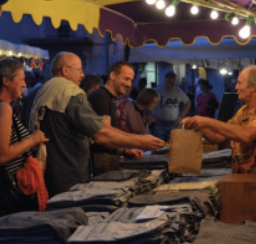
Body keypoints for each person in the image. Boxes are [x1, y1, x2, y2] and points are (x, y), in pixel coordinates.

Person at [28, 52, 165, 196]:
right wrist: (141, 141)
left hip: (45, 175)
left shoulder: (37, 92)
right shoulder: (71, 93)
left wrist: (125, 149)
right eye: (80, 70)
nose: (82, 75)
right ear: (65, 70)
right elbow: (101, 134)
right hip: (69, 176)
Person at [182, 65, 256, 227]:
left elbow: (246, 135)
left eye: (240, 83)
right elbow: (219, 138)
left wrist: (207, 120)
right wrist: (199, 125)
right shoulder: (243, 111)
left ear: (253, 86)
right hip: (242, 187)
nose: (236, 87)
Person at [0, 58, 49, 243]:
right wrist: (33, 139)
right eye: (20, 79)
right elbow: (1, 155)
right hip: (3, 197)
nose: (24, 83)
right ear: (6, 80)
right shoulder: (2, 108)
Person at [87, 61, 157, 175]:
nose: (129, 84)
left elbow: (109, 133)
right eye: (126, 79)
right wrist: (141, 141)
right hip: (101, 158)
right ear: (113, 75)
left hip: (109, 156)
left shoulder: (109, 98)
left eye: (131, 80)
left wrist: (125, 151)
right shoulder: (100, 97)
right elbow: (105, 133)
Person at [151, 71, 191, 141]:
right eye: (169, 81)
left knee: (172, 145)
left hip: (173, 123)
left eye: (173, 81)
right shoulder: (158, 91)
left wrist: (181, 116)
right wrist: (151, 116)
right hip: (159, 123)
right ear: (165, 81)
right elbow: (147, 103)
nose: (171, 83)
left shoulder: (178, 91)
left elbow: (188, 102)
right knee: (159, 146)